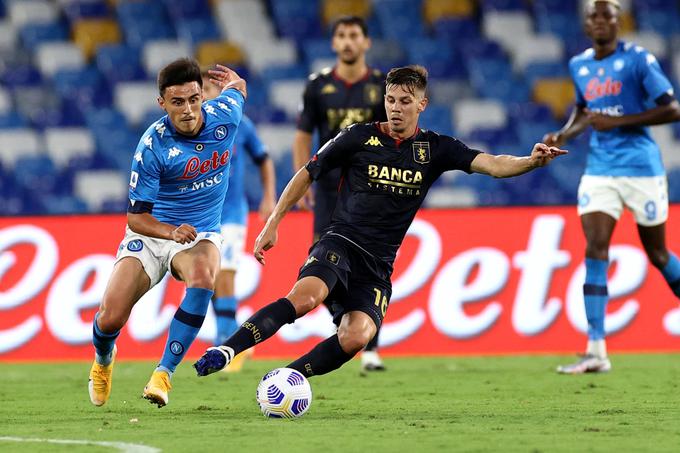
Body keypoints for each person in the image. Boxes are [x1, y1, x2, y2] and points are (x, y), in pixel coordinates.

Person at [193, 65, 566, 380]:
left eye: (405, 102)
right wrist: (273, 223)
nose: (396, 109)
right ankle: (228, 350)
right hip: (339, 242)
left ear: (422, 104)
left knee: (357, 336)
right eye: (391, 100)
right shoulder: (358, 136)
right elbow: (308, 172)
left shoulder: (436, 148)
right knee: (306, 298)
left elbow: (493, 163)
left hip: (377, 266)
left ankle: (288, 378)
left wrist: (530, 161)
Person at [87, 58, 246, 408]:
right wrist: (170, 232)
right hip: (153, 234)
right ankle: (103, 359)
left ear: (203, 94)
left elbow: (238, 90)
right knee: (111, 316)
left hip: (200, 233)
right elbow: (136, 219)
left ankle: (163, 374)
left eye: (194, 99)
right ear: (162, 103)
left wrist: (235, 80)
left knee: (205, 275)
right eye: (177, 102)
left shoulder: (227, 114)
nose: (188, 110)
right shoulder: (152, 146)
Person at [543, 0, 680, 374]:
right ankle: (596, 350)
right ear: (586, 25)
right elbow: (584, 111)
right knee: (595, 246)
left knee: (658, 255)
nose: (601, 21)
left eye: (608, 15)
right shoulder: (579, 64)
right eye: (594, 16)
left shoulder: (639, 60)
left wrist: (620, 122)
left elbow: (672, 108)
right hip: (601, 170)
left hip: (642, 169)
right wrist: (564, 132)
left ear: (620, 22)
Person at [293, 15, 388, 372]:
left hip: (370, 186)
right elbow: (303, 135)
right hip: (329, 187)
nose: (348, 42)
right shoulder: (317, 86)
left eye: (354, 36)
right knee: (322, 256)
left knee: (370, 261)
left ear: (366, 43)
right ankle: (345, 322)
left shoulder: (381, 86)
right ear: (334, 44)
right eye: (342, 36)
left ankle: (371, 347)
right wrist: (303, 179)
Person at [201, 71, 276, 371]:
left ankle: (229, 342)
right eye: (204, 89)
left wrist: (269, 196)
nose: (207, 94)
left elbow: (264, 159)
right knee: (206, 275)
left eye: (211, 89)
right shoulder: (194, 126)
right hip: (203, 214)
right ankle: (226, 335)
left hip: (231, 212)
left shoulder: (240, 124)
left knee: (226, 272)